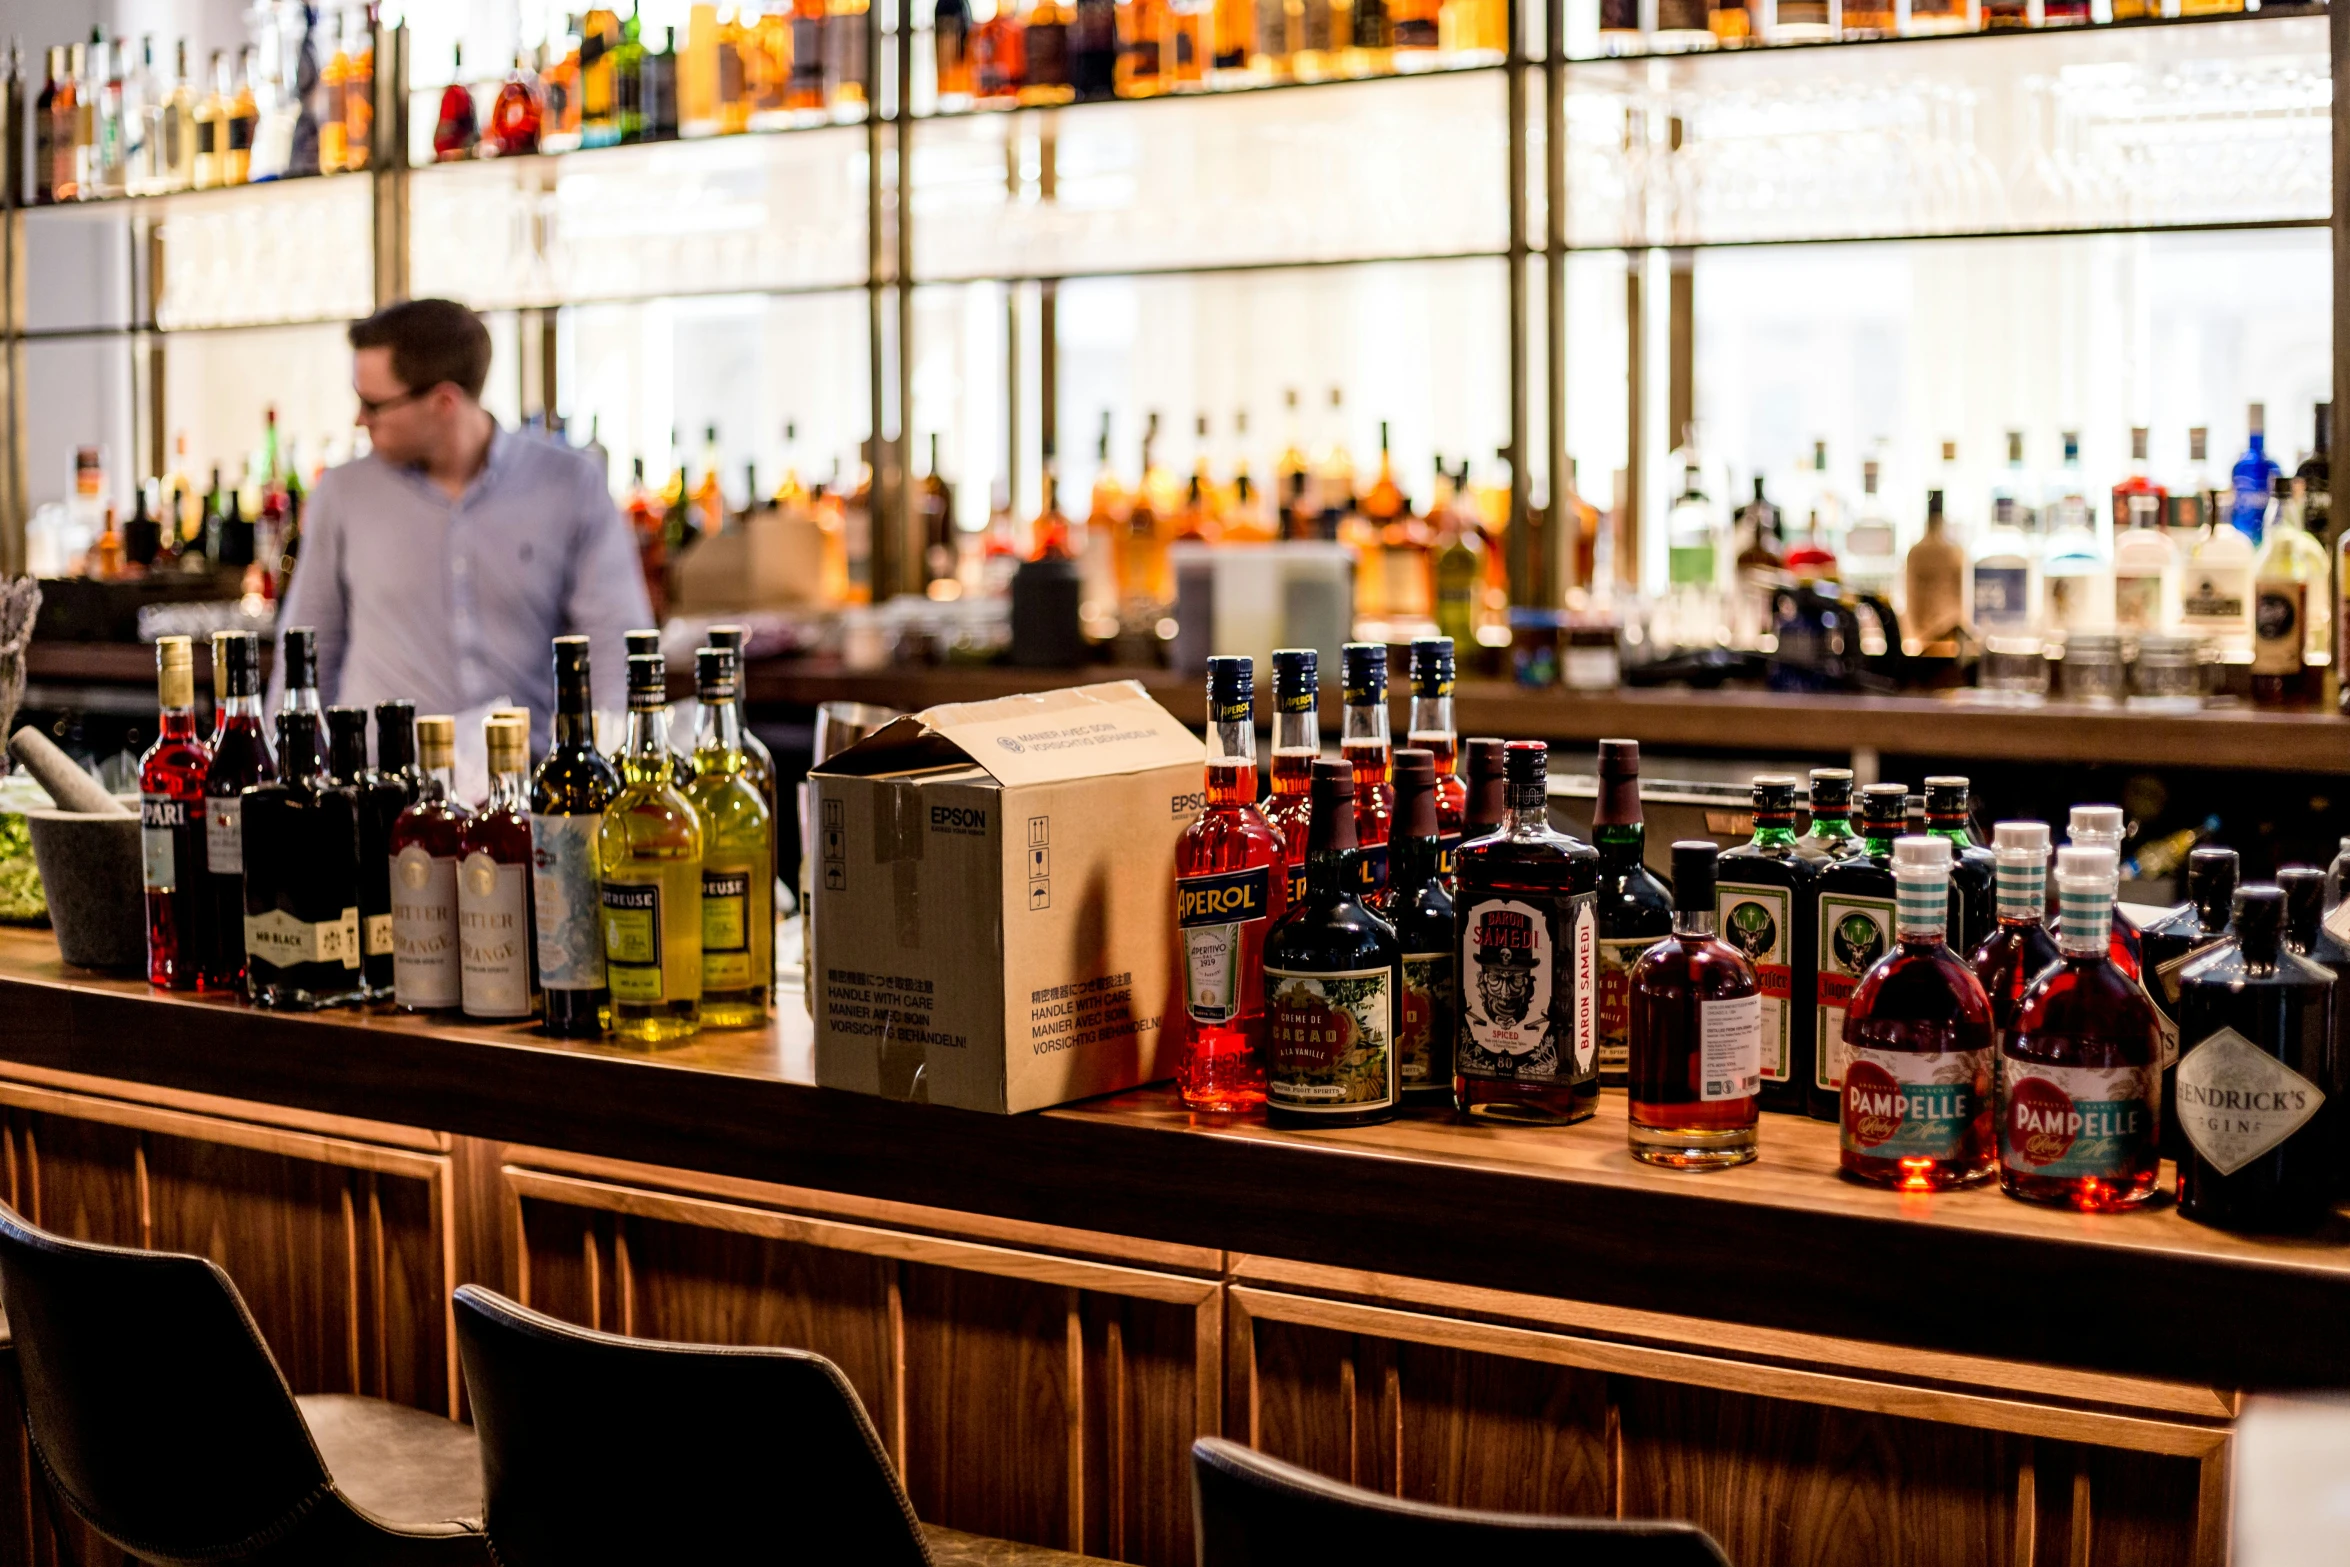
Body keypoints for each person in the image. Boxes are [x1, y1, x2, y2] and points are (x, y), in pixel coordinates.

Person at [271, 298, 650, 790]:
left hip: (528, 793)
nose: (359, 420)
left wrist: (606, 783)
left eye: (374, 404)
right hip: (382, 793)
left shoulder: (569, 484)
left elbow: (614, 649)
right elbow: (306, 654)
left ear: (444, 402)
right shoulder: (342, 494)